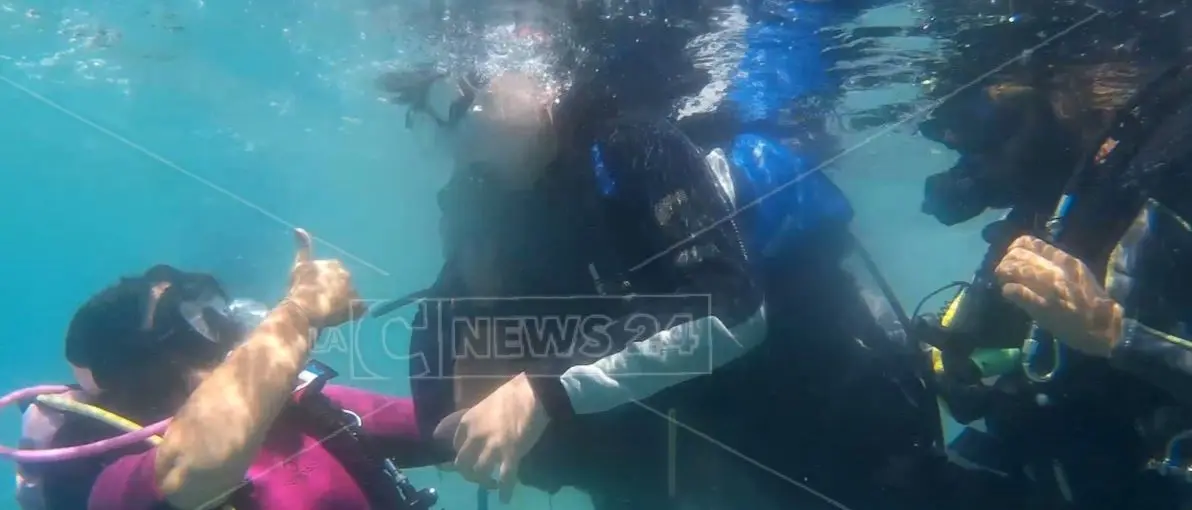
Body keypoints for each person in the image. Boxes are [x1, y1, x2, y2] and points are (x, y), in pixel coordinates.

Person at [375, 9, 1015, 507]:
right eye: (426, 124)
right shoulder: (486, 204)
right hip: (668, 452)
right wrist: (438, 427)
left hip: (811, 400)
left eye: (454, 105)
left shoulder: (629, 142)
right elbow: (444, 328)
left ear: (530, 78)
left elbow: (734, 312)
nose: (453, 142)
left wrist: (540, 392)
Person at [911, 3, 1192, 508]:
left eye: (990, 122)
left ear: (1064, 94)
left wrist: (1117, 335)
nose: (974, 157)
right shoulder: (1066, 193)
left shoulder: (1170, 176)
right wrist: (962, 359)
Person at [12, 229, 445, 510]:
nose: (224, 325)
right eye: (196, 319)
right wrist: (299, 312)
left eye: (215, 309)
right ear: (145, 369)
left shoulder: (300, 409)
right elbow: (195, 465)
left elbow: (443, 427)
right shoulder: (115, 481)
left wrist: (491, 405)